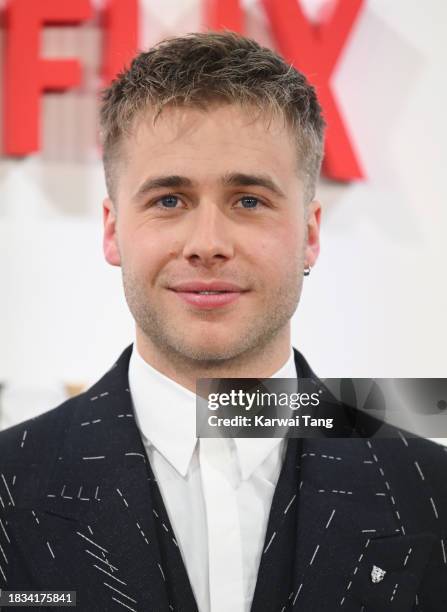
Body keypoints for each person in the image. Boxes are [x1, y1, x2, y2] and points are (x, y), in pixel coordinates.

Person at [0, 31, 446, 612]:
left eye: (249, 201)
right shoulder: (9, 484)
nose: (207, 245)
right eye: (169, 200)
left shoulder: (431, 492)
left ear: (310, 235)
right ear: (112, 230)